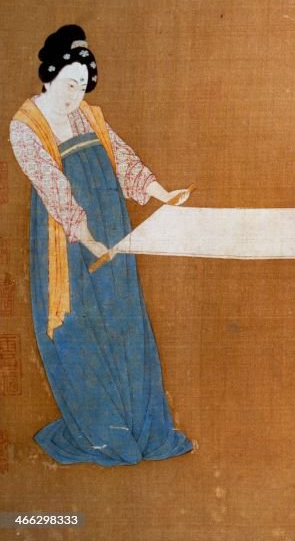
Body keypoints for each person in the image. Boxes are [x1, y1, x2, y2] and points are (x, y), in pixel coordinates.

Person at [8, 24, 193, 465]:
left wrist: (161, 192)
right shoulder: (25, 126)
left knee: (124, 320)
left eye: (82, 86)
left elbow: (122, 157)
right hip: (67, 238)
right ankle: (100, 430)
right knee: (81, 326)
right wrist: (87, 238)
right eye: (69, 83)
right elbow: (53, 189)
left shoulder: (89, 115)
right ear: (49, 74)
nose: (75, 94)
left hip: (113, 226)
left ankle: (141, 427)